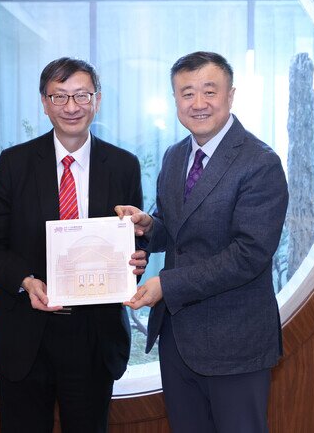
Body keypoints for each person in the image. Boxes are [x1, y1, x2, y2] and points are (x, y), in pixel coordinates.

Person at [115, 51, 288, 433]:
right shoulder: (175, 156)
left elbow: (250, 255)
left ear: (230, 95)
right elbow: (177, 231)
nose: (198, 103)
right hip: (178, 339)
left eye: (209, 91)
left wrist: (166, 285)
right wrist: (148, 225)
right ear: (175, 100)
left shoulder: (260, 163)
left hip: (235, 341)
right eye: (187, 93)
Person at [0, 57, 147, 433]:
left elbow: (135, 242)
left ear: (97, 101)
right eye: (59, 96)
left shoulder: (123, 166)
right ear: (44, 102)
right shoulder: (15, 163)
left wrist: (136, 260)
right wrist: (25, 280)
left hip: (93, 335)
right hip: (26, 331)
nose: (71, 107)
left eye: (81, 95)